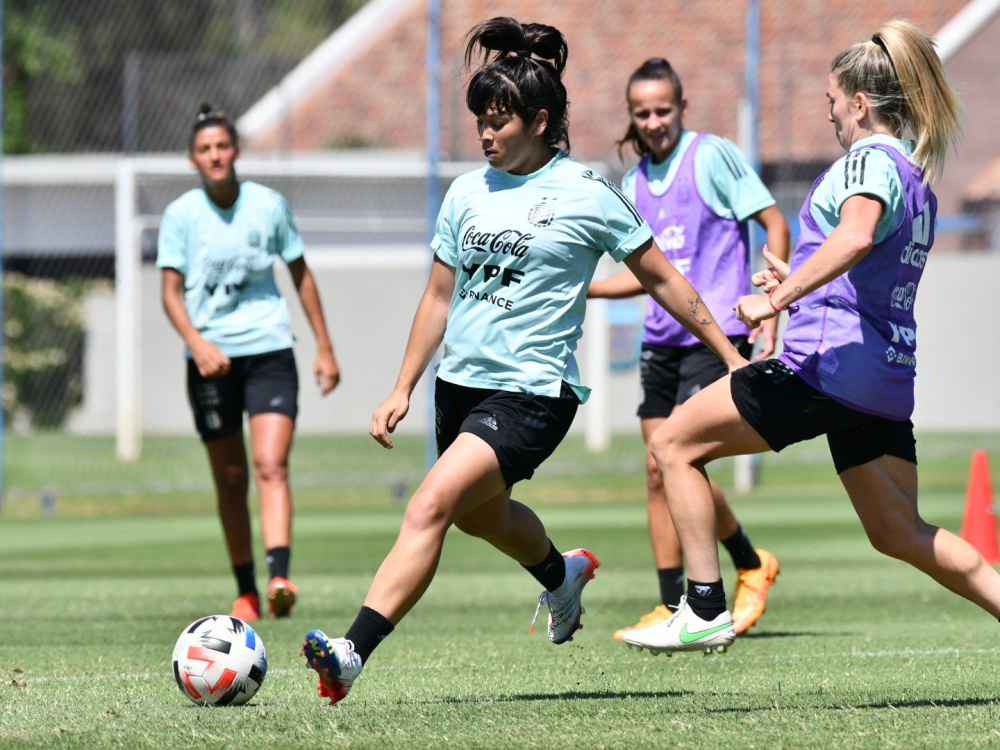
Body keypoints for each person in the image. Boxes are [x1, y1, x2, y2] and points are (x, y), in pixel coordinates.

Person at [300, 16, 747, 705]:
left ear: (540, 120)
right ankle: (560, 574)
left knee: (430, 507)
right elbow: (438, 297)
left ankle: (352, 651)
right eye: (480, 118)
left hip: (531, 394)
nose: (486, 132)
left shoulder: (588, 194)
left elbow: (665, 279)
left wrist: (728, 356)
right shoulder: (467, 193)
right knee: (485, 518)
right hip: (460, 387)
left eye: (500, 121)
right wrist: (402, 387)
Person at [624, 19, 1000, 656]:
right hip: (883, 375)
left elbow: (855, 237)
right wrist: (798, 274)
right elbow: (867, 263)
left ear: (858, 103)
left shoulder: (867, 159)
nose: (828, 114)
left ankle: (705, 607)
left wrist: (775, 297)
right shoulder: (916, 175)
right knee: (900, 532)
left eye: (831, 101)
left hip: (825, 366)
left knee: (672, 446)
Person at [588, 58, 790, 641]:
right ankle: (676, 599)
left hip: (718, 336)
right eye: (642, 113)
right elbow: (651, 276)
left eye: (662, 110)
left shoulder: (712, 156)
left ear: (682, 107)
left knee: (682, 457)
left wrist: (772, 305)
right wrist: (588, 290)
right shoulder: (631, 185)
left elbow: (774, 223)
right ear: (632, 116)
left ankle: (745, 566)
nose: (653, 121)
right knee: (660, 470)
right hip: (663, 341)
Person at [158, 104, 340, 621]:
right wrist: (196, 341)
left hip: (269, 351)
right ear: (193, 159)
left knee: (270, 464)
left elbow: (302, 275)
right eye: (205, 149)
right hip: (211, 360)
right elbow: (170, 293)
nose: (215, 155)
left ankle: (279, 576)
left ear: (235, 150)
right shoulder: (181, 217)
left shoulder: (269, 206)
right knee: (232, 479)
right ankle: (246, 591)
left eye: (222, 146)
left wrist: (324, 347)